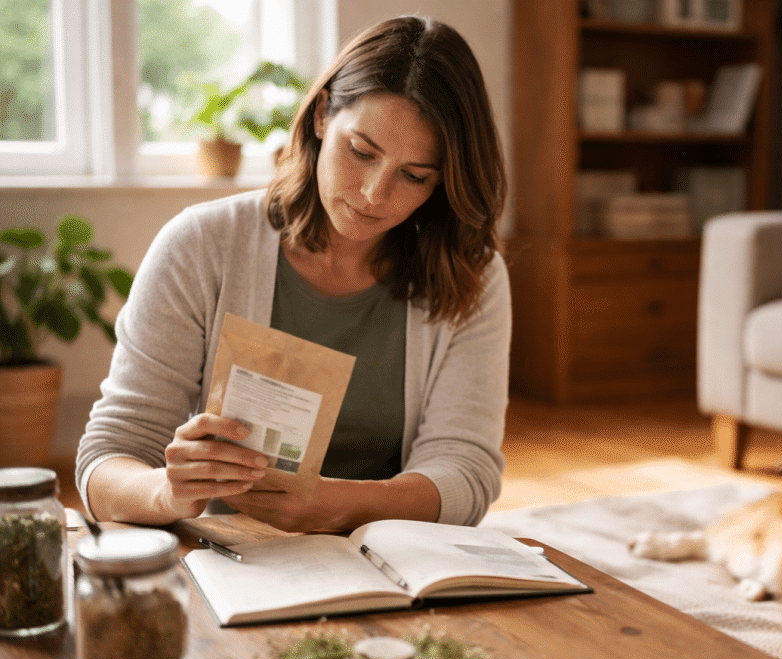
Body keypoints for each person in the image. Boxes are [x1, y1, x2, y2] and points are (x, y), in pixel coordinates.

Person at [76, 16, 509, 533]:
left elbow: (466, 470)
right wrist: (167, 492)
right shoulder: (201, 246)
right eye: (361, 152)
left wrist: (341, 503)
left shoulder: (470, 272)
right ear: (323, 114)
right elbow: (108, 457)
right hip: (233, 560)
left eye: (414, 176)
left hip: (395, 561)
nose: (374, 193)